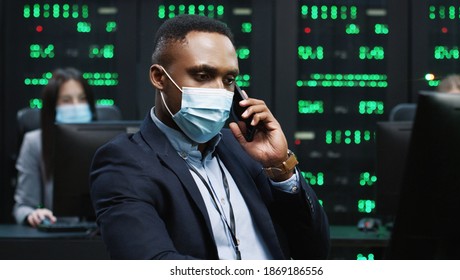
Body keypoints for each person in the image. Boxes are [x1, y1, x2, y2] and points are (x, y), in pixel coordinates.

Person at [90, 14, 330, 260]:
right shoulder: (123, 162)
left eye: (228, 80)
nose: (219, 91)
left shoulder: (244, 149)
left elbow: (314, 251)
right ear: (159, 77)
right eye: (203, 75)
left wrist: (280, 168)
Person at [13, 67, 97, 227]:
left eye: (82, 98)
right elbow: (22, 207)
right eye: (66, 100)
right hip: (57, 235)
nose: (76, 106)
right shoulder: (34, 143)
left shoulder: (111, 142)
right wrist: (33, 214)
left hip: (103, 236)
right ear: (52, 107)